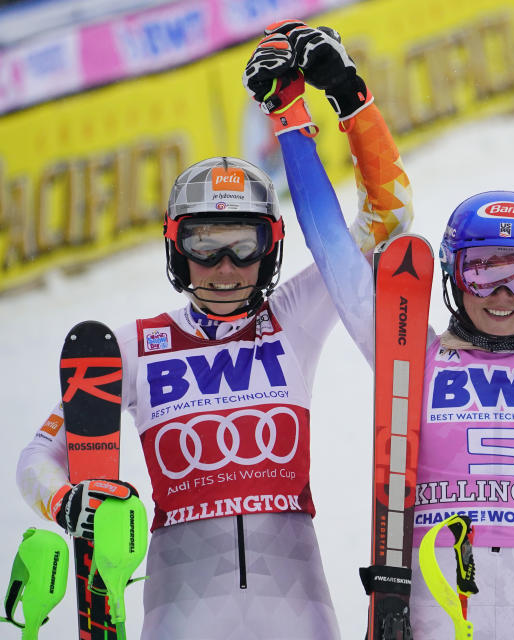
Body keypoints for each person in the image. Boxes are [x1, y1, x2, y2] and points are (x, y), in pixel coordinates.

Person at [15, 28, 413, 639]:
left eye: (244, 245)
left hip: (297, 611)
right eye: (205, 245)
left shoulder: (295, 314)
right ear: (177, 249)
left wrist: (350, 99)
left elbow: (388, 222)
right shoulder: (129, 346)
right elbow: (37, 457)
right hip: (183, 613)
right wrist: (68, 504)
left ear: (271, 249)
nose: (225, 267)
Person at [245, 20, 514, 640]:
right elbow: (336, 248)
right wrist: (292, 116)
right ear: (451, 275)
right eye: (482, 274)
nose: (503, 295)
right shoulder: (407, 353)